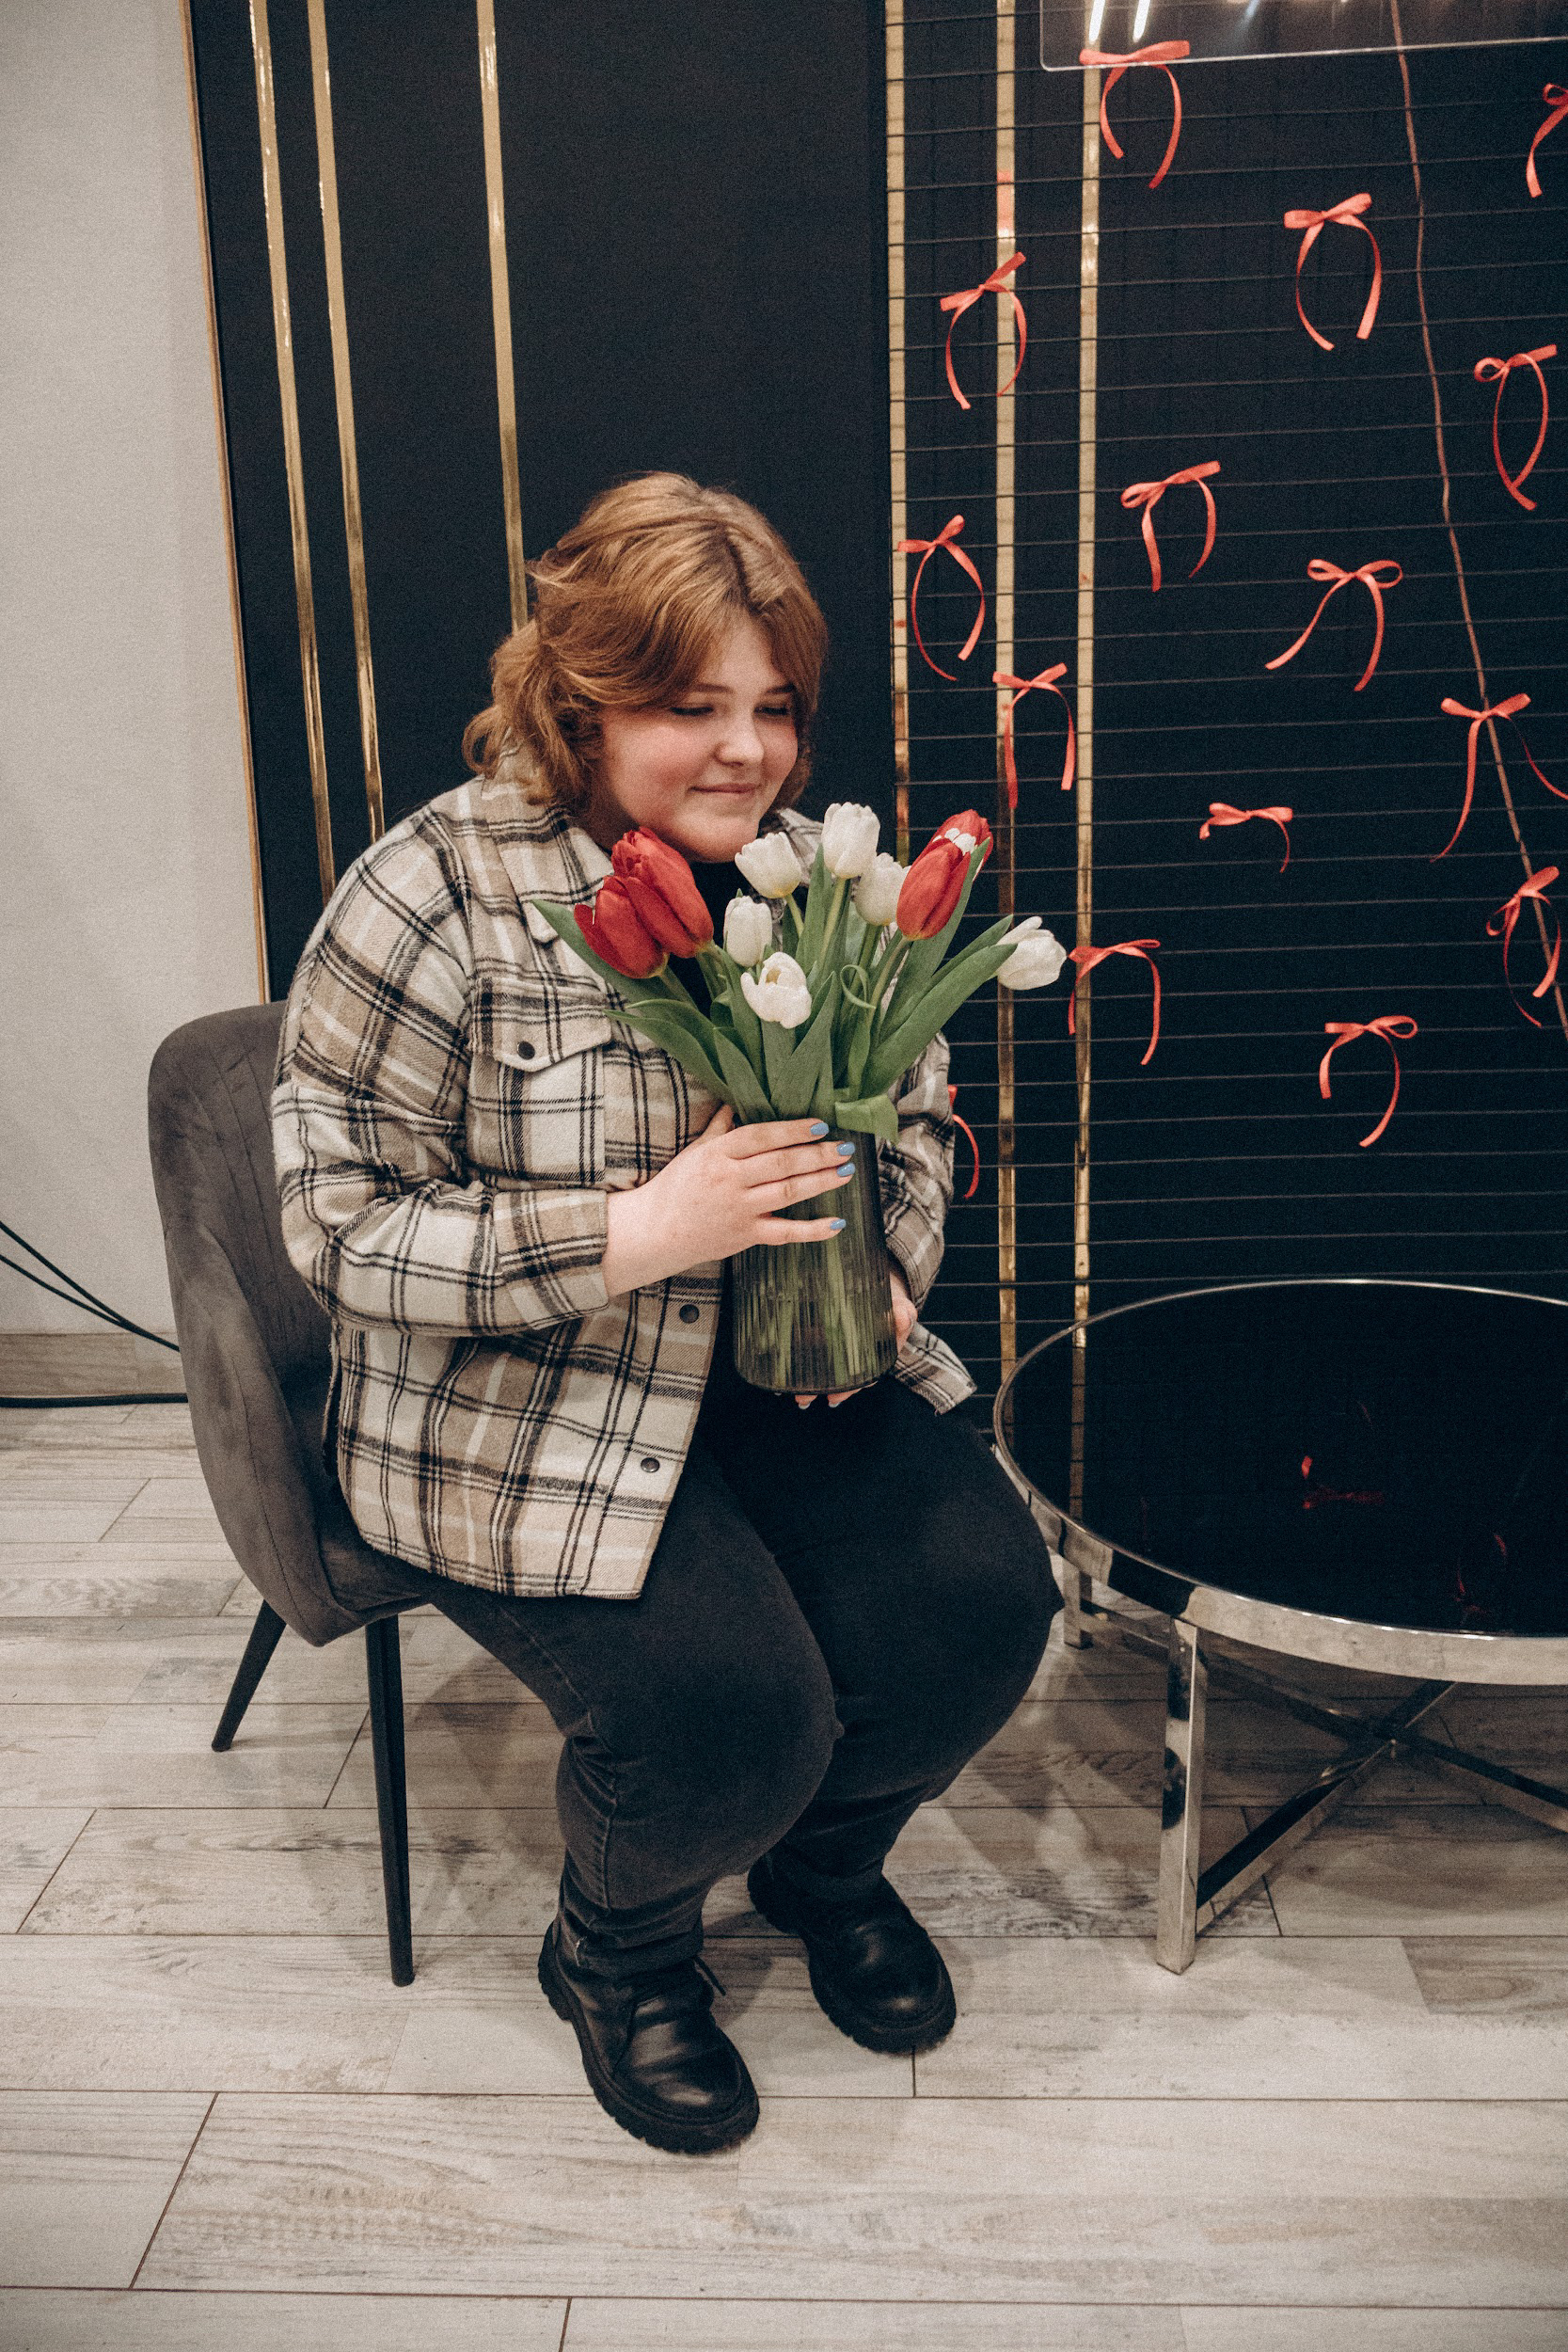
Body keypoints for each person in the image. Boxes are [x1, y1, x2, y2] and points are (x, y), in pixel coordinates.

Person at [273, 471, 1058, 2155]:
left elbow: (917, 1117)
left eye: (774, 707)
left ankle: (822, 1871)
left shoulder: (810, 878)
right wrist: (634, 1230)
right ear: (580, 701)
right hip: (515, 1409)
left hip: (782, 1367)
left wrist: (888, 1261)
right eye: (691, 707)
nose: (747, 751)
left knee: (982, 1614)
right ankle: (618, 1950)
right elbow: (338, 1232)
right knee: (727, 1716)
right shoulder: (429, 895)